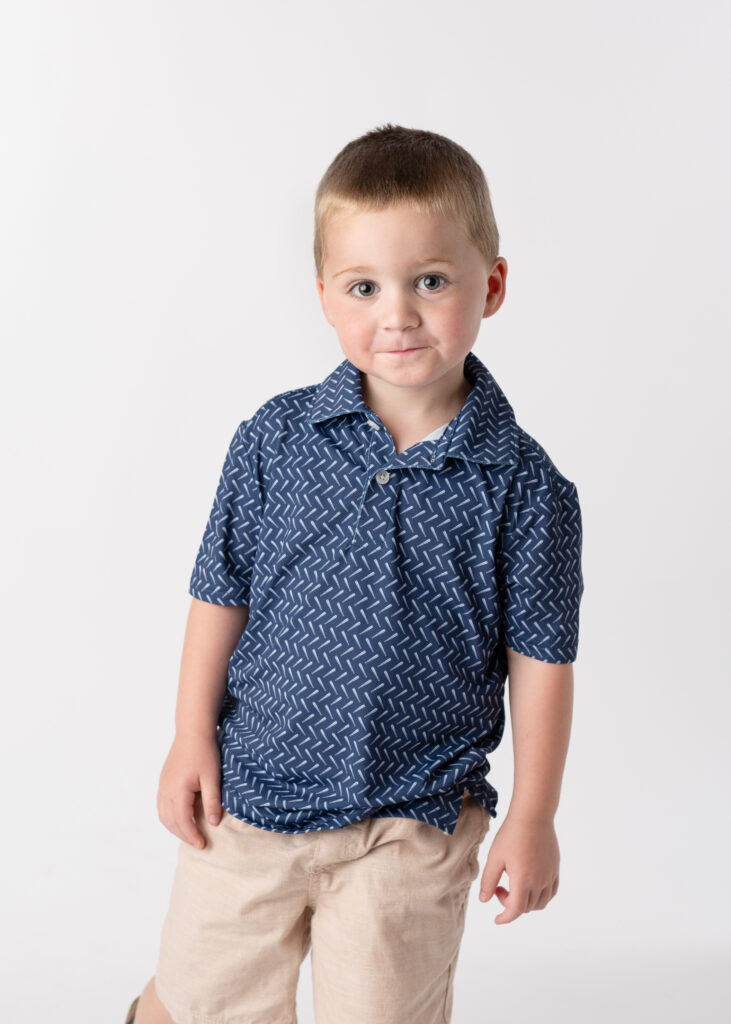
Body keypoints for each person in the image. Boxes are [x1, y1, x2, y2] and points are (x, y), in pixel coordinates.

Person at [125, 123, 585, 1024]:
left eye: (431, 281)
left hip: (410, 817)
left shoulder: (526, 489)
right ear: (326, 297)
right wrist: (189, 734)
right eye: (364, 287)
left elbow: (542, 663)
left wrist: (533, 815)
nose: (398, 313)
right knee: (202, 1002)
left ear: (489, 286)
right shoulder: (275, 439)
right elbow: (220, 592)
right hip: (250, 794)